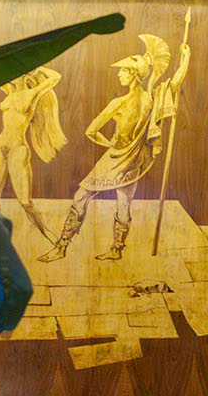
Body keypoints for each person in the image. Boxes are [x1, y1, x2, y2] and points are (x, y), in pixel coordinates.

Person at [40, 31, 190, 262]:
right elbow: (174, 82)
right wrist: (185, 60)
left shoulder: (133, 100)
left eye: (123, 71)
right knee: (109, 201)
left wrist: (185, 59)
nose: (119, 74)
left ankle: (75, 247)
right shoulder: (144, 99)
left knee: (100, 199)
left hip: (128, 158)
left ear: (133, 75)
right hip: (121, 158)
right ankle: (90, 248)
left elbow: (92, 131)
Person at [0, 66, 65, 239]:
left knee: (26, 202)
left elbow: (55, 76)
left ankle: (51, 238)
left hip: (18, 149)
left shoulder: (33, 93)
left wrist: (36, 67)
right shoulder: (9, 91)